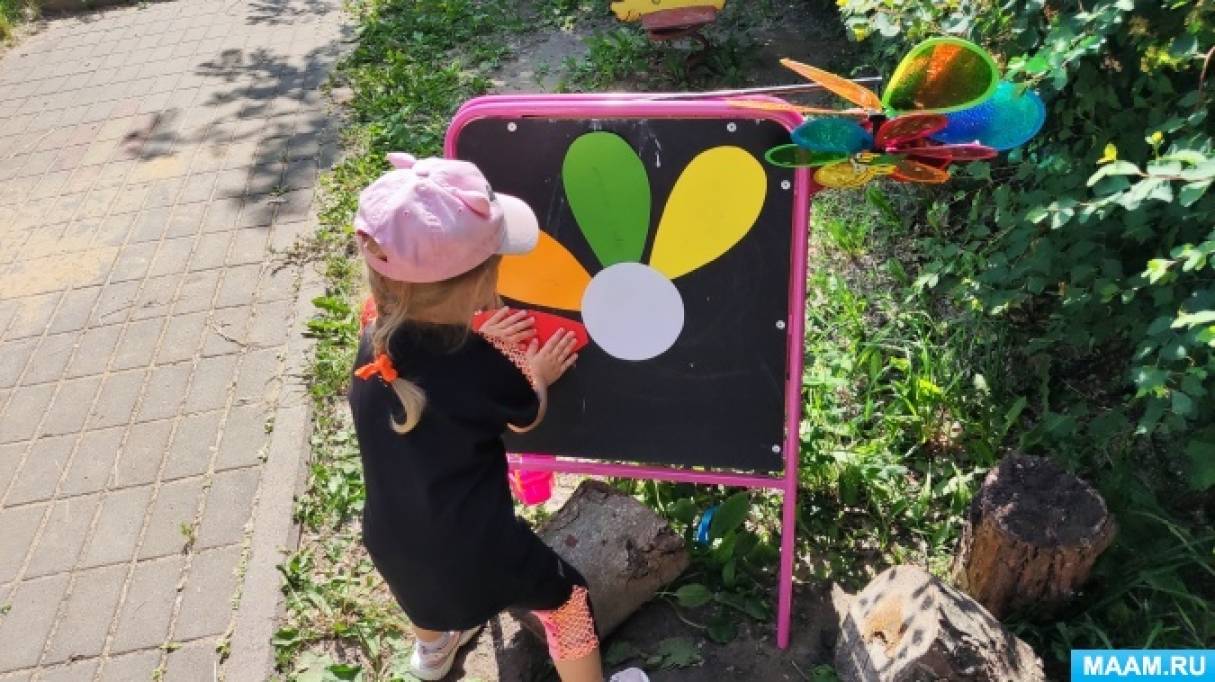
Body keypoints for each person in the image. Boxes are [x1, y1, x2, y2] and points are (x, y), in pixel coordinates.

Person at [347, 153, 648, 682]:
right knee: (569, 599)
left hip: (391, 543)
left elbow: (434, 367)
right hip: (478, 551)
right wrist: (535, 370)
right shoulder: (486, 368)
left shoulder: (375, 341)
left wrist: (479, 333)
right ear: (484, 281)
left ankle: (434, 652)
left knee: (427, 597)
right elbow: (526, 415)